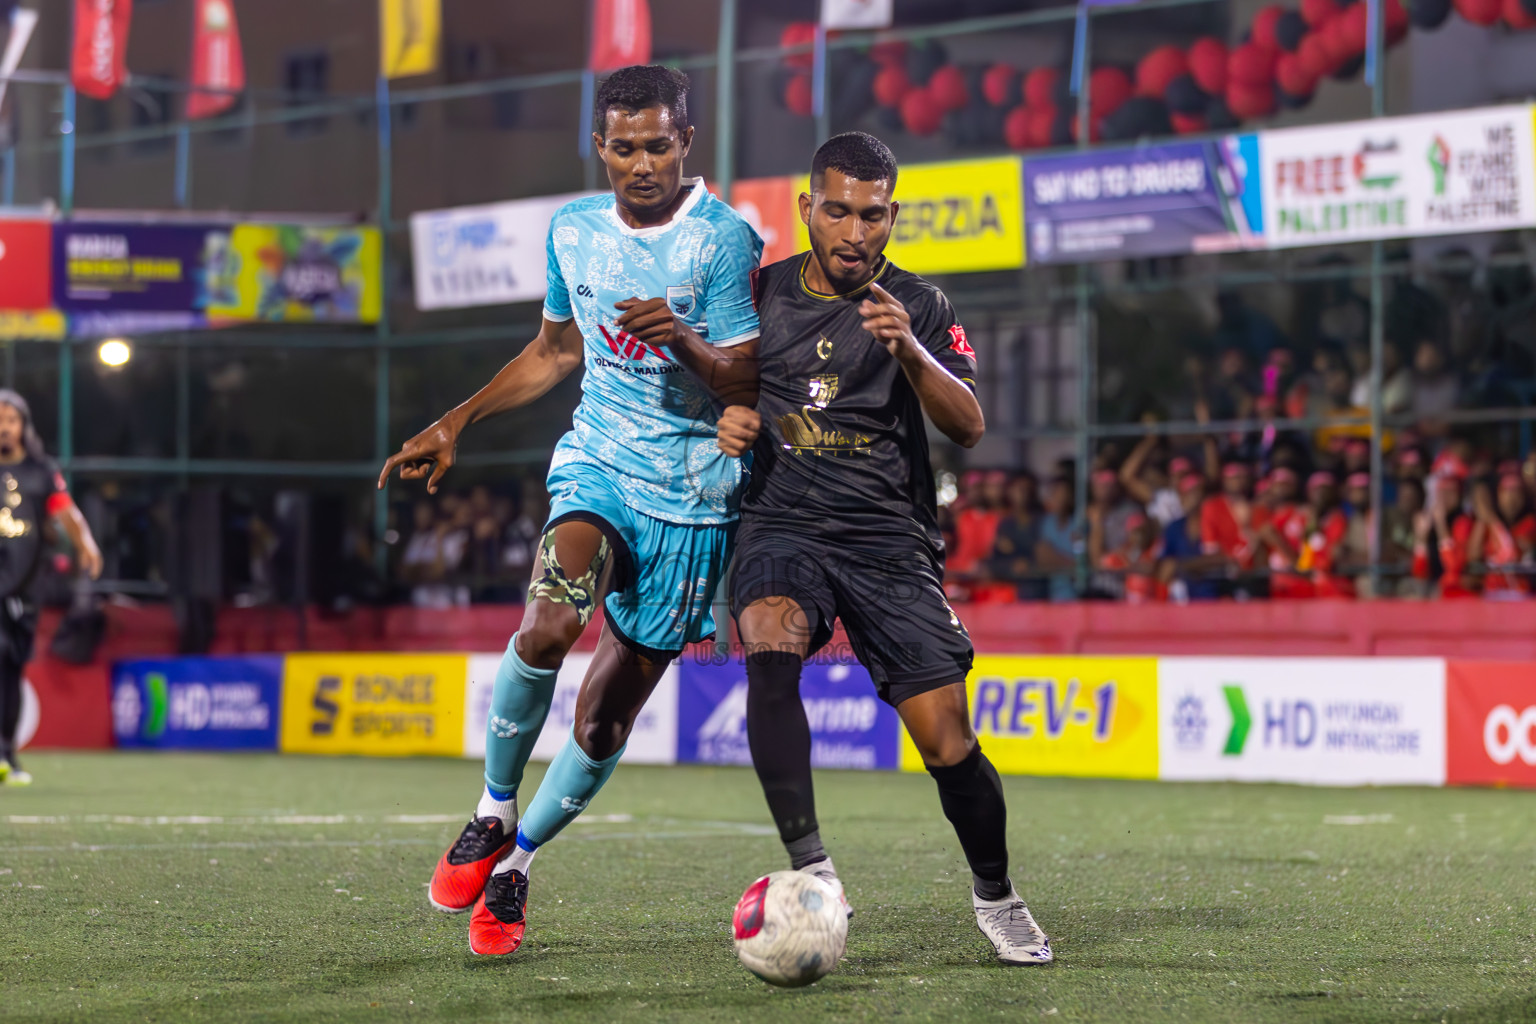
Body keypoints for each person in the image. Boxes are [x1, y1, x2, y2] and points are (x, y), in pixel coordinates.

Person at [378, 66, 763, 956]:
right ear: (601, 146)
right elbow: (555, 350)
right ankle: (490, 809)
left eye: (658, 146)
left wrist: (683, 336)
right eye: (623, 147)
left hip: (695, 500)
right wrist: (456, 418)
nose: (641, 164)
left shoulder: (724, 243)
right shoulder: (572, 230)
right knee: (549, 623)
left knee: (600, 721)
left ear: (686, 144)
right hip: (597, 463)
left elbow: (746, 382)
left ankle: (516, 867)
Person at [714, 131, 1051, 965]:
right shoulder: (756, 297)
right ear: (808, 210)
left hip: (887, 540)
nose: (854, 231)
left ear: (892, 216)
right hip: (783, 521)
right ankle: (813, 868)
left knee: (947, 742)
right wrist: (726, 420)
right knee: (770, 631)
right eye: (837, 211)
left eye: (871, 215)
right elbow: (715, 389)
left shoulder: (922, 307)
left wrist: (909, 349)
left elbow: (969, 426)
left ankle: (997, 897)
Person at [0, 390, 102, 785]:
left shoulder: (41, 471)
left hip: (26, 586)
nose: (4, 427)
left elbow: (66, 511)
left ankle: (7, 753)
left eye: (11, 419)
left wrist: (86, 543)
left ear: (23, 426)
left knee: (12, 664)